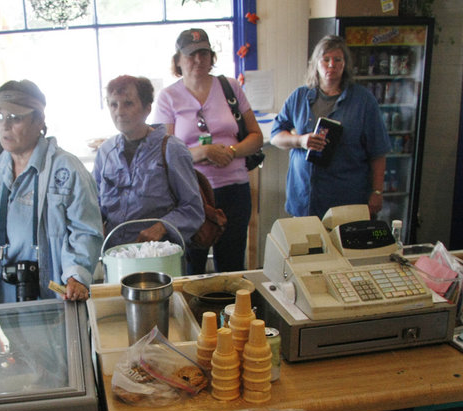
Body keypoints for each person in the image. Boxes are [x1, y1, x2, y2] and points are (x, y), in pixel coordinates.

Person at [0, 79, 103, 303]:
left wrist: (77, 276)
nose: (5, 126)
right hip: (7, 296)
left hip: (55, 296)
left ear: (39, 120)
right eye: (0, 116)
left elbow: (86, 230)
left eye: (15, 118)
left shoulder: (66, 169)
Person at [153, 28, 263, 274]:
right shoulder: (168, 97)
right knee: (192, 267)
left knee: (232, 265)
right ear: (178, 60)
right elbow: (164, 154)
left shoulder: (230, 87)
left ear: (211, 57)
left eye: (204, 53)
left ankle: (232, 311)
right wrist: (204, 152)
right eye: (191, 55)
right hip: (191, 194)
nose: (198, 60)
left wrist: (232, 151)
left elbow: (257, 138)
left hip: (235, 190)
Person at [271, 34, 391, 219]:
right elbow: (276, 136)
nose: (331, 65)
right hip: (305, 199)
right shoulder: (300, 97)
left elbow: (378, 151)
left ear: (345, 64)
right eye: (325, 59)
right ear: (316, 63)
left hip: (346, 200)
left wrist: (377, 192)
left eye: (337, 60)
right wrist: (300, 140)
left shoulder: (364, 101)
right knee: (305, 247)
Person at [92, 75, 205, 252]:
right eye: (114, 104)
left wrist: (162, 227)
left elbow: (193, 208)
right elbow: (94, 205)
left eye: (128, 103)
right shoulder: (105, 152)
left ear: (147, 108)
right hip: (115, 255)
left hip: (159, 254)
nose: (119, 112)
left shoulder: (171, 149)